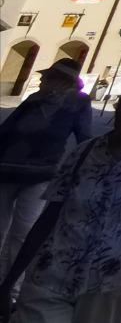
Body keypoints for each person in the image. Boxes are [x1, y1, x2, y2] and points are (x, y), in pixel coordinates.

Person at [1, 71, 121, 323]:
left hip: (112, 281)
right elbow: (49, 217)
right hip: (52, 274)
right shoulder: (84, 153)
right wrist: (9, 281)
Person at [0, 62, 93, 296]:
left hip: (41, 174)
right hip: (7, 170)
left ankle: (10, 288)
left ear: (61, 81)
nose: (42, 81)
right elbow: (5, 130)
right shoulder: (34, 99)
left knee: (24, 230)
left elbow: (84, 136)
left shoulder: (78, 103)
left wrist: (84, 167)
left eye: (48, 77)